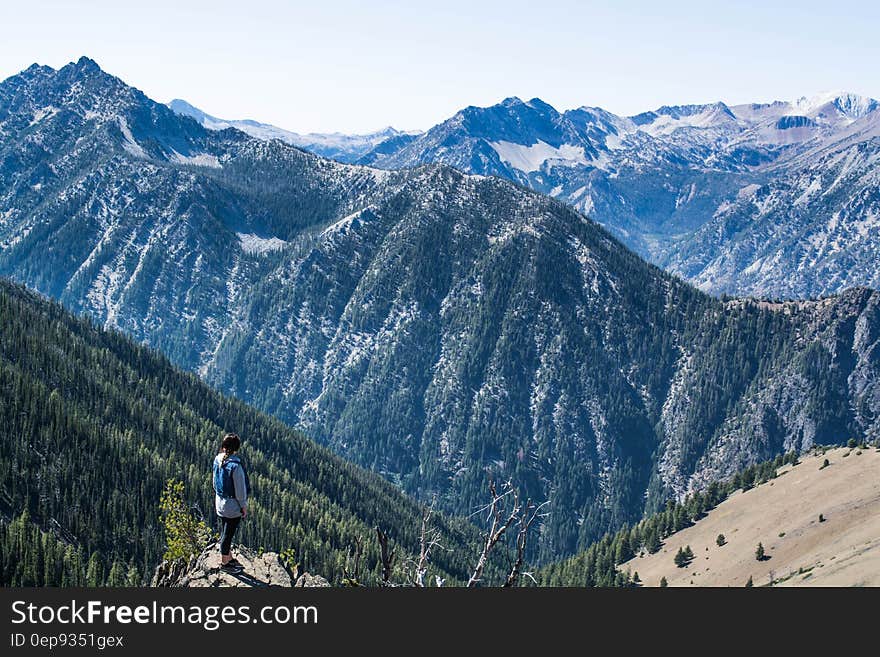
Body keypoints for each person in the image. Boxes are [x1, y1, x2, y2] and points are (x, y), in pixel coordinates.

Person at [212, 433, 250, 574]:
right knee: (228, 535)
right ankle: (225, 563)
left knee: (225, 530)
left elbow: (214, 483)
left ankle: (229, 557)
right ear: (236, 448)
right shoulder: (235, 466)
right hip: (232, 506)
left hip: (220, 502)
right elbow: (240, 491)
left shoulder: (218, 459)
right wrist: (243, 507)